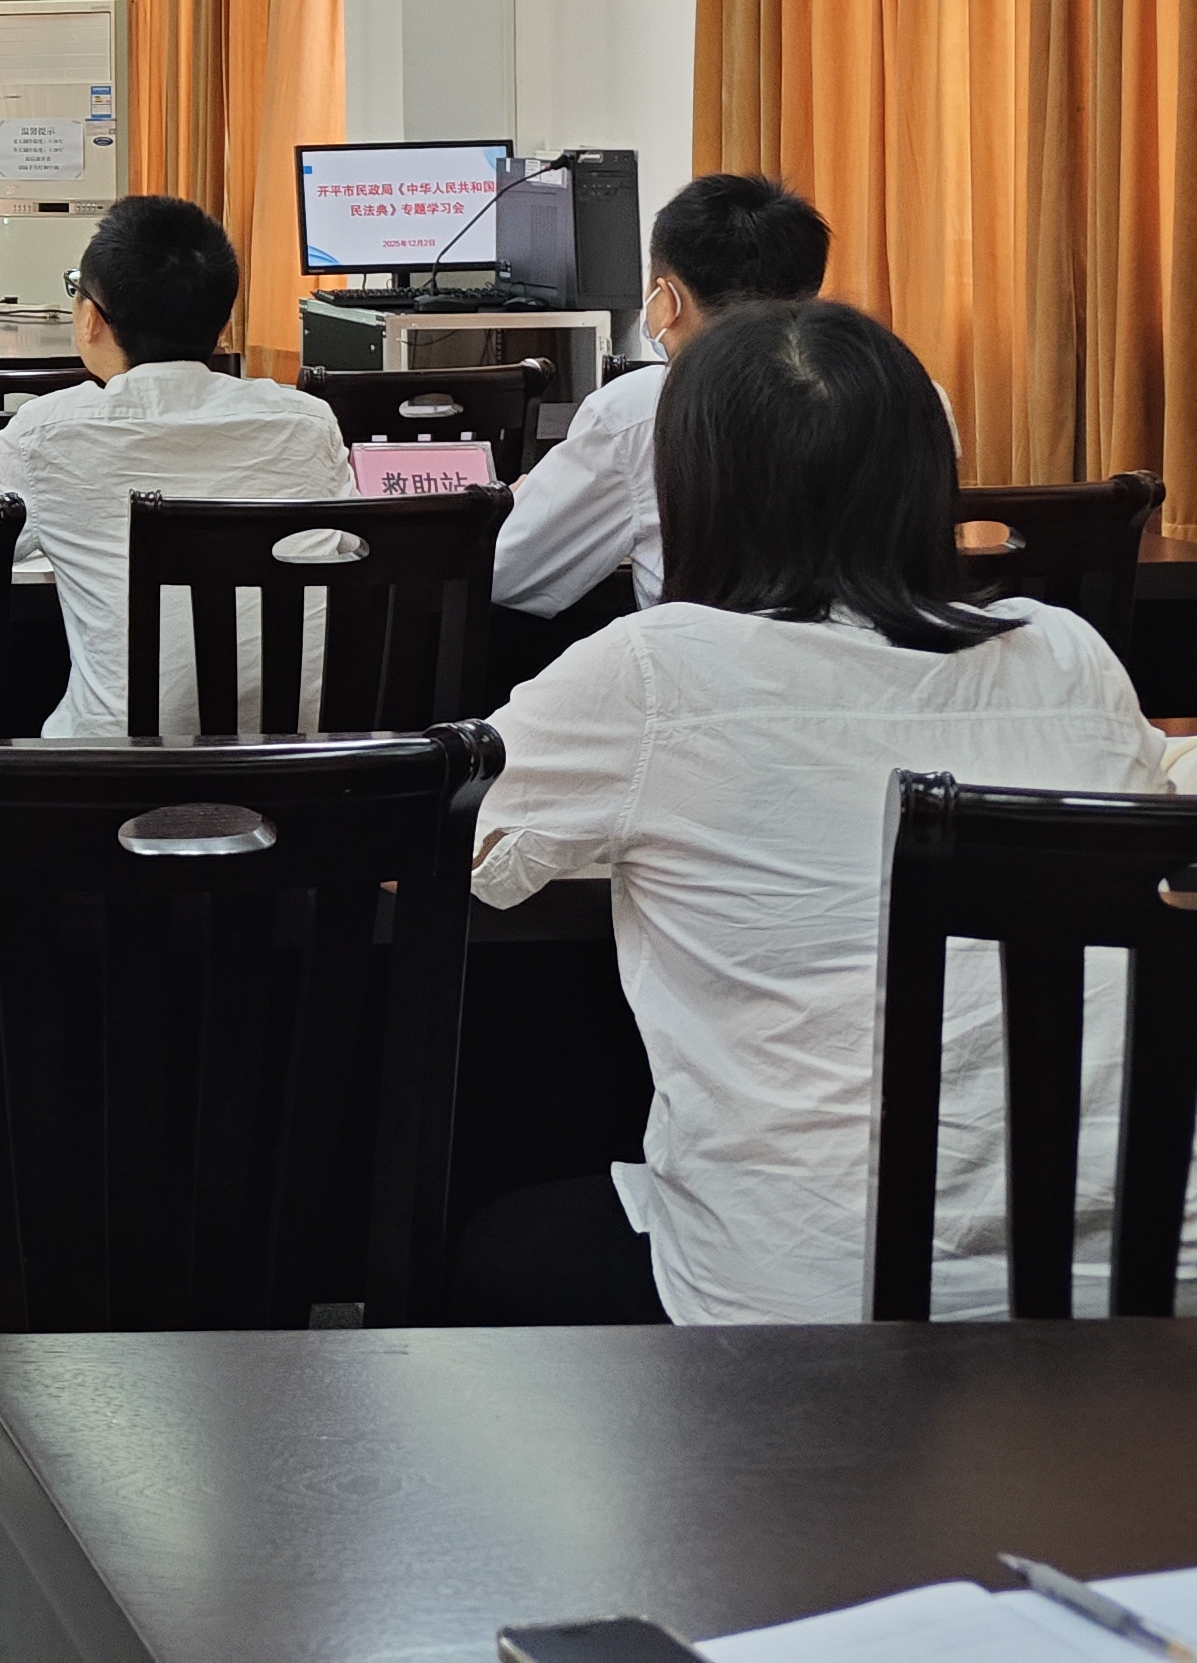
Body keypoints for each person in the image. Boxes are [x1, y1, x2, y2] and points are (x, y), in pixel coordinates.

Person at [459, 299, 1196, 1325]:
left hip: (801, 1302)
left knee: (497, 1234)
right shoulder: (1062, 649)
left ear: (693, 485)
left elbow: (456, 835)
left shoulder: (653, 673)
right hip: (1133, 1285)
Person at [0, 193, 351, 738]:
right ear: (222, 318)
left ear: (91, 318)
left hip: (113, 778)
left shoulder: (48, 431)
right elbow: (350, 553)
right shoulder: (308, 423)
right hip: (300, 766)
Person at [491, 170, 831, 621]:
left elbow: (507, 572)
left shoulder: (639, 411)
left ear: (666, 297)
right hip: (898, 673)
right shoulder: (906, 392)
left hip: (705, 673)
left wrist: (521, 498)